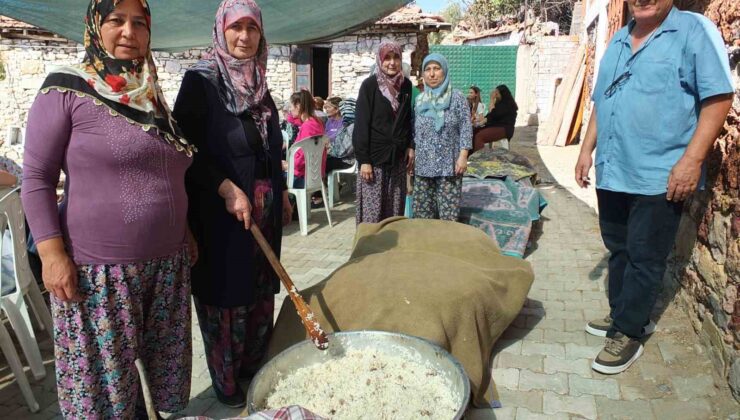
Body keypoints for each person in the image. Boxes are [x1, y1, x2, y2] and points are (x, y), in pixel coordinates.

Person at [21, 0, 196, 417]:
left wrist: (185, 231)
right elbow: (36, 178)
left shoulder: (149, 95)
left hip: (167, 266)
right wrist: (51, 254)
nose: (128, 32)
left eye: (139, 23)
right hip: (99, 275)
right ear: (95, 26)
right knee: (106, 399)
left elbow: (167, 172)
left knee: (156, 392)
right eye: (116, 21)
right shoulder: (66, 89)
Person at [574, 0, 732, 375]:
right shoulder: (616, 40)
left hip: (658, 175)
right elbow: (602, 101)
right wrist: (585, 150)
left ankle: (629, 333)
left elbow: (719, 98)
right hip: (614, 171)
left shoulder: (692, 31)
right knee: (619, 250)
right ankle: (622, 315)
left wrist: (691, 161)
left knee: (645, 256)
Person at [173, 0, 292, 407]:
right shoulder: (201, 82)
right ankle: (226, 385)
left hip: (264, 214)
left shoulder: (259, 84)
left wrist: (284, 190)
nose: (244, 37)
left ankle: (253, 369)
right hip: (221, 218)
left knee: (260, 293)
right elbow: (182, 149)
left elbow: (270, 148)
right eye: (236, 27)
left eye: (252, 28)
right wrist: (224, 187)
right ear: (221, 30)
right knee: (227, 299)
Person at [353, 41, 414, 224]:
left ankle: (391, 252)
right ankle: (369, 251)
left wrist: (411, 146)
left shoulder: (406, 86)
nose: (392, 63)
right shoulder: (369, 86)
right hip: (374, 161)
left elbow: (407, 120)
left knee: (394, 213)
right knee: (372, 216)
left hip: (397, 160)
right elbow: (361, 124)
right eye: (387, 58)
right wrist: (364, 160)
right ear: (380, 60)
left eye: (396, 57)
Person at [413, 53, 473, 221]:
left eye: (436, 69)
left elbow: (466, 128)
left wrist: (463, 156)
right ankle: (425, 246)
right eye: (428, 69)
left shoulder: (457, 98)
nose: (432, 74)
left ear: (444, 71)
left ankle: (447, 246)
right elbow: (414, 131)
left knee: (449, 214)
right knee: (422, 214)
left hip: (449, 165)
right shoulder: (419, 100)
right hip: (424, 165)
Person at [285, 90, 326, 189]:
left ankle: (286, 203)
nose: (289, 110)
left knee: (271, 177)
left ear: (298, 106)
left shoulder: (308, 126)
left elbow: (302, 157)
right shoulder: (316, 121)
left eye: (291, 106)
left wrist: (288, 165)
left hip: (303, 176)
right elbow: (292, 119)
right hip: (315, 175)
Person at [472, 85, 518, 152]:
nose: (495, 95)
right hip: (496, 126)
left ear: (502, 94)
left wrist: (492, 99)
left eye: (497, 93)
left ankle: (480, 157)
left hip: (504, 128)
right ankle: (471, 155)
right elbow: (490, 115)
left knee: (479, 136)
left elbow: (493, 113)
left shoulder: (507, 104)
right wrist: (479, 123)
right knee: (474, 132)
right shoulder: (500, 103)